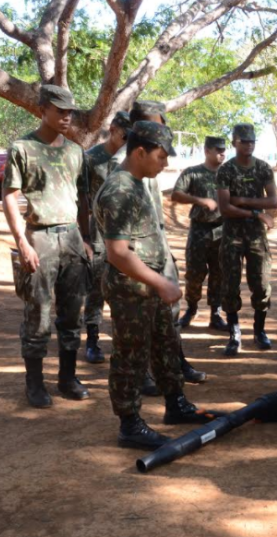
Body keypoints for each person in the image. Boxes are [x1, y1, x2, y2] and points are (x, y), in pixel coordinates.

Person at [94, 121, 215, 450]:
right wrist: (161, 282)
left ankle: (175, 404)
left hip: (150, 288)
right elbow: (118, 253)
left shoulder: (137, 183)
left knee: (165, 345)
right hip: (131, 290)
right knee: (130, 356)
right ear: (139, 152)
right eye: (161, 157)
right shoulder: (119, 189)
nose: (165, 164)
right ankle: (129, 424)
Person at [2, 85, 91, 408]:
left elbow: (83, 200)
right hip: (39, 236)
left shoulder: (75, 151)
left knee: (72, 313)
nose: (67, 116)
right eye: (60, 110)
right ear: (43, 109)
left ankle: (67, 378)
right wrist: (22, 243)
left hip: (71, 238)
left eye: (70, 111)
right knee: (37, 312)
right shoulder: (23, 148)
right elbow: (9, 196)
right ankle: (35, 383)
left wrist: (86, 238)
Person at [124, 100, 205, 387]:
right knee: (139, 318)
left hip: (157, 248)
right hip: (135, 256)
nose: (164, 129)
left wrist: (165, 250)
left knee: (169, 314)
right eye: (159, 123)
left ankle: (175, 361)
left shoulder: (151, 162)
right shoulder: (126, 165)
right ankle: (144, 372)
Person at [217, 123, 277, 356]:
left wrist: (242, 201)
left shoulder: (263, 168)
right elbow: (225, 208)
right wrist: (256, 212)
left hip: (256, 237)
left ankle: (259, 330)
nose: (249, 145)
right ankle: (234, 334)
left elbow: (273, 201)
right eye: (244, 141)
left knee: (262, 285)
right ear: (234, 143)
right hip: (232, 237)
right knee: (230, 286)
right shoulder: (226, 170)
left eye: (252, 141)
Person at [79, 110, 131, 364]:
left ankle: (123, 341)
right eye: (123, 134)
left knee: (125, 287)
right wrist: (84, 237)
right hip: (98, 231)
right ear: (112, 129)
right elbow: (81, 199)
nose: (126, 139)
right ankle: (92, 340)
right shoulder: (91, 158)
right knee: (96, 287)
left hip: (124, 231)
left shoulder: (130, 158)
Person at [172, 136, 228, 332]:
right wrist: (200, 200)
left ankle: (215, 313)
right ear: (207, 151)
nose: (222, 153)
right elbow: (176, 194)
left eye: (224, 149)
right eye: (218, 150)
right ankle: (192, 308)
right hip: (199, 229)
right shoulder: (193, 173)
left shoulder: (228, 173)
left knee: (219, 273)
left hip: (222, 230)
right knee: (194, 273)